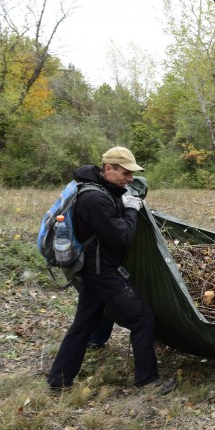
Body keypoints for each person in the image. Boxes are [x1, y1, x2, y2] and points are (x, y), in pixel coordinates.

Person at [47, 146, 176, 394]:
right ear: (108, 169)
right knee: (142, 318)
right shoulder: (94, 198)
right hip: (102, 272)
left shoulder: (99, 188)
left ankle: (59, 380)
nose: (129, 180)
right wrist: (130, 210)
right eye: (125, 174)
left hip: (92, 269)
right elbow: (122, 236)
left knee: (84, 323)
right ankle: (147, 382)